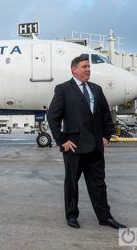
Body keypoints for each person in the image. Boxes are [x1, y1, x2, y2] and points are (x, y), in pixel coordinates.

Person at [47, 55, 126, 229]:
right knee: (72, 184)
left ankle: (105, 217)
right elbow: (52, 117)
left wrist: (107, 136)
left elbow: (106, 115)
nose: (88, 69)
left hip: (96, 148)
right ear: (74, 69)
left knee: (99, 184)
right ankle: (72, 216)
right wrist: (62, 141)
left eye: (89, 67)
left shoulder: (96, 89)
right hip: (74, 147)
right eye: (84, 67)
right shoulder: (63, 89)